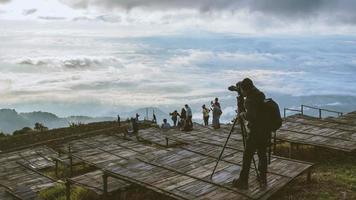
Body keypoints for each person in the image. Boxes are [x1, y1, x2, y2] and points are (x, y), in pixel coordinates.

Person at [233, 78, 269, 189]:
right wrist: (239, 90)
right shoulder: (259, 94)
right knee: (262, 154)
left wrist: (243, 114)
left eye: (242, 90)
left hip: (255, 132)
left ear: (246, 89)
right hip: (265, 130)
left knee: (247, 156)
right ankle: (263, 178)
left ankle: (243, 181)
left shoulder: (249, 100)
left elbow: (251, 116)